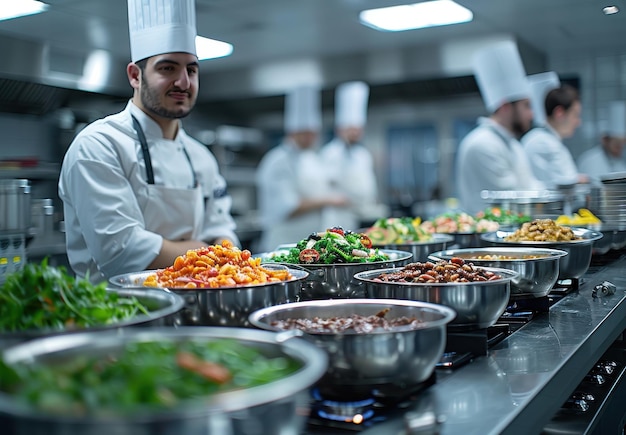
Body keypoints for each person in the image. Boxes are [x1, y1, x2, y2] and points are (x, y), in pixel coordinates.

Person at [58, 0, 239, 283]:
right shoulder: (98, 145)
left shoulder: (201, 156)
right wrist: (209, 252)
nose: (183, 82)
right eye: (167, 69)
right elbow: (124, 253)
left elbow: (223, 229)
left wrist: (215, 250)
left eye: (191, 70)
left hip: (196, 308)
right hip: (117, 314)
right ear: (135, 75)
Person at [256, 85, 349, 252]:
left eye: (314, 133)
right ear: (293, 131)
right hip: (283, 245)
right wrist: (328, 200)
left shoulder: (311, 158)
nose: (312, 138)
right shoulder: (277, 161)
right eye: (307, 133)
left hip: (310, 247)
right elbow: (288, 207)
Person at [456, 40, 545, 214]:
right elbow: (511, 197)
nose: (531, 115)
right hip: (487, 237)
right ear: (505, 107)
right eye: (526, 106)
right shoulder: (482, 144)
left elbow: (531, 185)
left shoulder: (512, 144)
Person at [320, 81, 386, 230]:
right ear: (340, 129)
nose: (355, 132)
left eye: (358, 128)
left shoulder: (363, 154)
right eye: (351, 128)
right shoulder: (329, 153)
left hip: (363, 216)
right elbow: (325, 186)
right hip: (337, 217)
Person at [522, 74, 589, 188]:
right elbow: (562, 187)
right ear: (559, 113)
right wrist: (578, 181)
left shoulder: (547, 140)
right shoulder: (543, 143)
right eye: (575, 115)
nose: (578, 122)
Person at [577, 101, 626, 182]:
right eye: (616, 143)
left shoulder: (621, 162)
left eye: (623, 143)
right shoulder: (589, 161)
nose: (620, 147)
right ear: (605, 140)